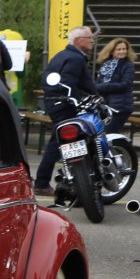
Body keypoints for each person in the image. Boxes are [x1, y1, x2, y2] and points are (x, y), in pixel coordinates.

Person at [33, 26, 98, 194]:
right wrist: (76, 100)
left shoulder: (62, 55)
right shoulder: (75, 59)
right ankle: (42, 183)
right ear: (78, 40)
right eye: (89, 38)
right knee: (59, 143)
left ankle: (73, 181)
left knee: (63, 142)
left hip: (54, 104)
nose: (92, 41)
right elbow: (67, 83)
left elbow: (49, 80)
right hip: (64, 106)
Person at [94, 37, 135, 133]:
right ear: (111, 51)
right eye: (118, 49)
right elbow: (98, 83)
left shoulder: (128, 65)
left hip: (120, 107)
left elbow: (125, 85)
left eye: (124, 49)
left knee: (109, 133)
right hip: (105, 105)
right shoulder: (105, 65)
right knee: (101, 133)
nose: (122, 51)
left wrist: (101, 87)